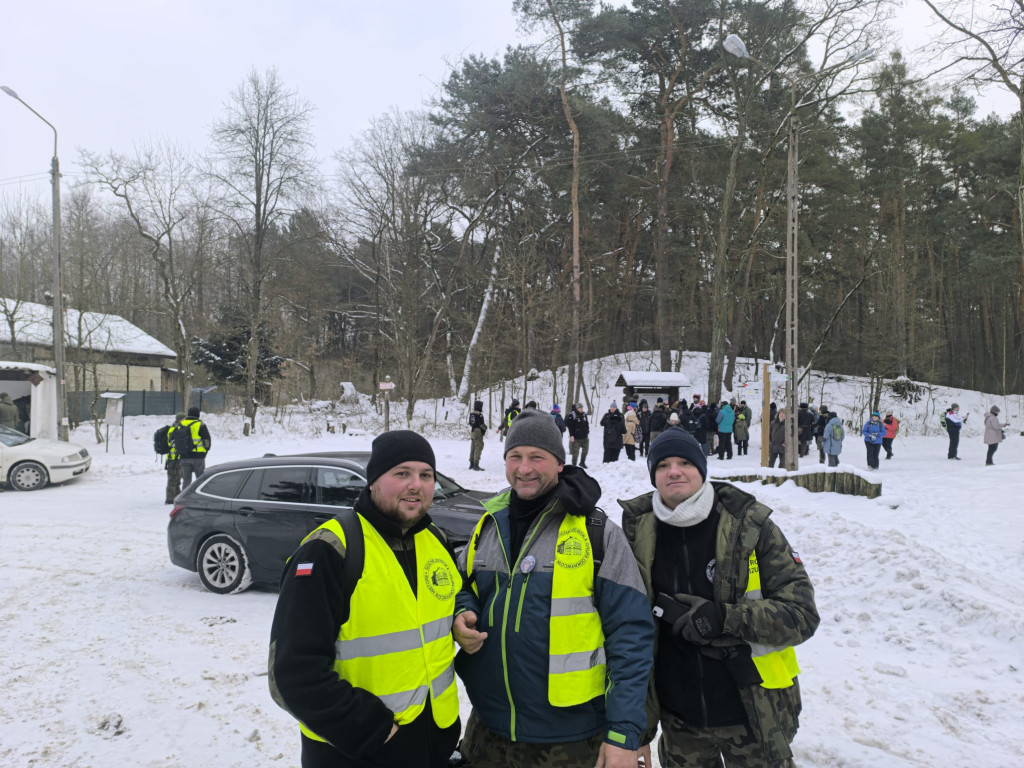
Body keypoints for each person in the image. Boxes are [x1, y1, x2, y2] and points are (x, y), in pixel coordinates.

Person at [452, 408, 654, 768]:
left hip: (571, 741)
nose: (524, 468)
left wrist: (624, 733)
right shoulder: (488, 523)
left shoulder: (597, 533)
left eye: (537, 457)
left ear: (559, 463)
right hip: (489, 729)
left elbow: (631, 637)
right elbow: (461, 584)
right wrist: (461, 610)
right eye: (515, 456)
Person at [618, 428, 819, 768]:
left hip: (753, 714)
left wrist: (725, 618)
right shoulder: (636, 531)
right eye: (663, 464)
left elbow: (802, 614)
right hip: (681, 721)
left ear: (701, 468)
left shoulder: (751, 526)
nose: (674, 471)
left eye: (684, 462)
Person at [269, 430, 462, 768]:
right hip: (359, 751)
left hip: (433, 743)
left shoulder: (436, 540)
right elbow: (292, 675)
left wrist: (461, 616)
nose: (416, 484)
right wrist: (369, 728)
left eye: (426, 475)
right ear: (373, 482)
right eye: (402, 473)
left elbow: (445, 604)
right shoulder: (331, 549)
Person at [175, 406, 212, 488]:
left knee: (186, 480)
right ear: (198, 415)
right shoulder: (201, 425)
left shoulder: (180, 424)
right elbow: (207, 441)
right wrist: (205, 452)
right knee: (200, 480)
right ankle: (199, 497)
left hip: (184, 456)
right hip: (198, 457)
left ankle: (184, 497)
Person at [164, 412, 186, 504]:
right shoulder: (174, 429)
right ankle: (170, 498)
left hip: (177, 457)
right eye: (184, 419)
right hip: (173, 458)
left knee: (177, 477)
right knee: (173, 478)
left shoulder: (178, 428)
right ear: (180, 419)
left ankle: (177, 495)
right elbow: (172, 444)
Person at [565, 403, 590, 468]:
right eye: (580, 408)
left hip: (585, 436)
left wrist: (587, 431)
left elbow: (586, 423)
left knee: (585, 450)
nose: (581, 409)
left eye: (582, 408)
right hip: (576, 437)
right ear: (577, 408)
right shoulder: (572, 415)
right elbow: (570, 426)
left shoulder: (584, 414)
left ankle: (582, 462)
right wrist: (571, 435)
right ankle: (574, 464)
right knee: (575, 453)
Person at [469, 400, 488, 471]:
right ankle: (476, 465)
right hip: (478, 431)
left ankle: (471, 463)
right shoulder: (479, 414)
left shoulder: (471, 414)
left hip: (472, 431)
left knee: (473, 447)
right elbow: (481, 424)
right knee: (479, 447)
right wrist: (485, 428)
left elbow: (470, 423)